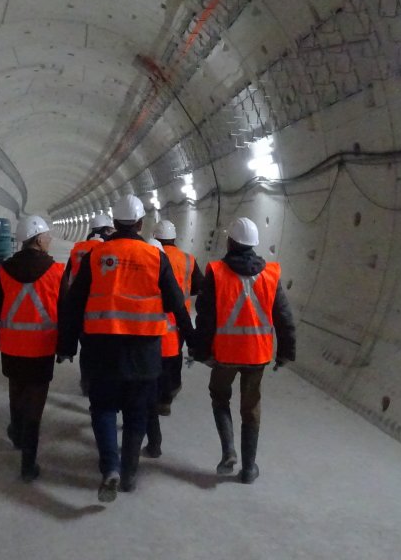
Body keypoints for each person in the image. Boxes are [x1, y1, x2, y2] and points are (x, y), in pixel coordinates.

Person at [58, 195, 192, 502]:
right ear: (141, 223)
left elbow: (74, 304)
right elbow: (177, 305)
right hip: (144, 353)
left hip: (102, 350)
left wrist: (66, 345)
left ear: (114, 223)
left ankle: (111, 469)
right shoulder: (155, 257)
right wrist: (194, 342)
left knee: (103, 409)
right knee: (136, 414)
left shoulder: (97, 256)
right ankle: (130, 472)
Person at [190, 216, 296, 484]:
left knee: (220, 397)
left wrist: (202, 352)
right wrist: (285, 352)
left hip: (224, 354)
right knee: (251, 408)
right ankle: (249, 469)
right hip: (257, 354)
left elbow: (205, 318)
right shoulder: (270, 274)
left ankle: (228, 451)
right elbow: (283, 316)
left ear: (231, 242)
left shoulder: (217, 272)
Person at [0, 215, 64, 482]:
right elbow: (67, 312)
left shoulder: (4, 270)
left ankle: (16, 434)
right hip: (42, 347)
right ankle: (28, 464)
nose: (49, 239)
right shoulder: (57, 271)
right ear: (38, 239)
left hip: (12, 346)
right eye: (47, 236)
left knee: (17, 392)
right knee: (35, 404)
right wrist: (67, 346)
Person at [143, 219, 205, 459]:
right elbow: (199, 287)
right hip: (179, 320)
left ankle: (150, 401)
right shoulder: (188, 259)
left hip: (151, 319)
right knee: (172, 358)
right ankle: (166, 398)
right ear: (175, 237)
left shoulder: (150, 256)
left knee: (152, 361)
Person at [62, 212, 115, 396]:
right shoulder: (108, 250)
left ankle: (86, 381)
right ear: (107, 229)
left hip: (78, 304)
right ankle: (101, 382)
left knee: (86, 345)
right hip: (99, 305)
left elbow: (68, 276)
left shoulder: (78, 248)